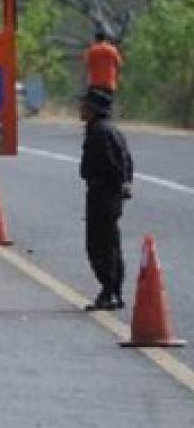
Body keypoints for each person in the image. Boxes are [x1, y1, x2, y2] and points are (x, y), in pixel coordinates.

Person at [79, 89, 134, 311]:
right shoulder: (111, 130)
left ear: (94, 110)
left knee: (100, 245)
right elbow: (127, 162)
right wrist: (125, 184)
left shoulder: (99, 133)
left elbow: (110, 165)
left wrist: (114, 183)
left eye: (85, 106)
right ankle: (113, 291)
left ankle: (109, 291)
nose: (80, 109)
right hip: (110, 195)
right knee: (111, 243)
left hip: (102, 194)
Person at [83, 29, 123, 101]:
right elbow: (119, 65)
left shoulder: (92, 50)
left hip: (95, 84)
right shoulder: (113, 50)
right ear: (105, 39)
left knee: (89, 105)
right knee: (107, 107)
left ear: (96, 39)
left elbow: (86, 65)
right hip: (109, 85)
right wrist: (117, 79)